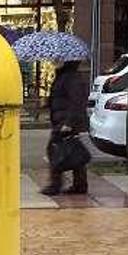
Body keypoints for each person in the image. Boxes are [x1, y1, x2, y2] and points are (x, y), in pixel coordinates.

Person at [43, 60, 90, 196]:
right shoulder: (64, 76)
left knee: (55, 150)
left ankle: (55, 185)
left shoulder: (72, 79)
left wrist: (69, 123)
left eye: (59, 60)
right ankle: (80, 185)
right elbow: (60, 98)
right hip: (62, 119)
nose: (55, 61)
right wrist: (48, 102)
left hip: (66, 121)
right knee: (73, 152)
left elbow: (77, 102)